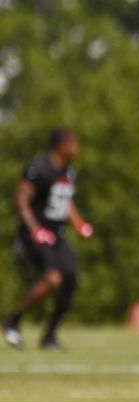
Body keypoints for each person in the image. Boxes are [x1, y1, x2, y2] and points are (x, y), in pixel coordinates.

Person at [4, 129, 93, 351]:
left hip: (58, 234)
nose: (76, 148)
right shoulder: (40, 167)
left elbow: (66, 200)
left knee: (71, 277)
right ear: (61, 145)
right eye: (73, 143)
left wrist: (79, 224)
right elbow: (21, 198)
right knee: (53, 278)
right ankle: (14, 320)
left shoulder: (69, 172)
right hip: (36, 232)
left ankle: (50, 335)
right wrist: (34, 229)